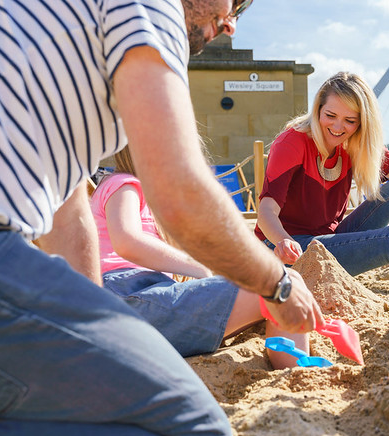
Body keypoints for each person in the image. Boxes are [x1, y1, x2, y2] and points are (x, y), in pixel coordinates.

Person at [0, 0, 323, 436]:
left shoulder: (59, 24)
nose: (231, 25)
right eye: (237, 0)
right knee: (196, 434)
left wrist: (101, 336)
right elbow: (180, 196)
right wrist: (276, 282)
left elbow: (70, 222)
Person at [91, 146, 308, 368]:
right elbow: (127, 241)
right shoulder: (123, 183)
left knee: (289, 282)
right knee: (282, 286)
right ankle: (297, 371)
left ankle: (296, 372)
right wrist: (197, 267)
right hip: (127, 295)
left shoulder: (154, 199)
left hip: (147, 300)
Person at [255, 72, 389, 279]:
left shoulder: (353, 144)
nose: (338, 127)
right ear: (318, 109)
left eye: (350, 120)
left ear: (361, 122)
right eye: (330, 115)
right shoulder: (292, 142)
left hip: (331, 240)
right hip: (288, 248)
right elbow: (266, 211)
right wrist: (283, 241)